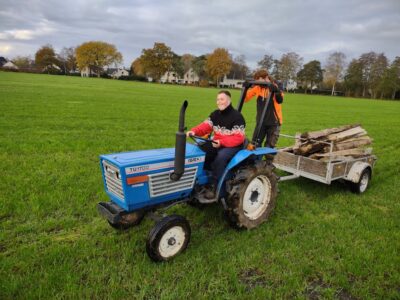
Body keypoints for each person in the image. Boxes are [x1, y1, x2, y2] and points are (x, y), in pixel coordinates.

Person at [187, 90, 245, 199]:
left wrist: (222, 142)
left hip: (233, 145)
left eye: (222, 99)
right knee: (200, 151)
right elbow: (205, 126)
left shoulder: (237, 117)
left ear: (228, 100)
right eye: (218, 99)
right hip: (216, 142)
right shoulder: (215, 114)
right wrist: (194, 131)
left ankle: (215, 186)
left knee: (221, 157)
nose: (219, 102)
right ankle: (199, 180)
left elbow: (238, 138)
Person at [244, 70, 284, 151]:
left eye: (259, 80)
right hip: (261, 122)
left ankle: (268, 163)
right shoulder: (257, 88)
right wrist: (245, 88)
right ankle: (254, 162)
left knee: (269, 147)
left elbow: (280, 100)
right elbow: (245, 99)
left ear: (265, 78)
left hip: (274, 123)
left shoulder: (275, 86)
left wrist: (276, 91)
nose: (257, 82)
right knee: (254, 144)